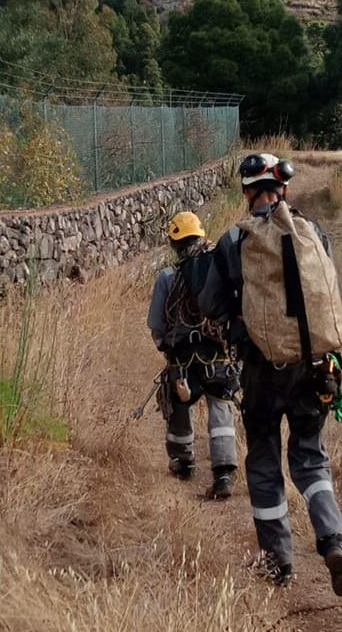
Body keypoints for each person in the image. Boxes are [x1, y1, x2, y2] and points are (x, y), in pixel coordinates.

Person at [199, 154, 342, 596]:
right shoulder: (314, 232)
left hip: (262, 372)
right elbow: (332, 296)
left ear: (247, 191)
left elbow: (211, 303)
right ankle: (332, 541)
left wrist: (239, 323)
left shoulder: (234, 239)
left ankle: (279, 563)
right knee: (310, 458)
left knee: (266, 462)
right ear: (283, 188)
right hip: (316, 370)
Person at [147, 211, 239, 500]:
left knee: (178, 405)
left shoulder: (167, 277)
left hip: (183, 359)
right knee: (221, 406)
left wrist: (165, 345)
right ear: (200, 235)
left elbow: (157, 324)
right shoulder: (219, 269)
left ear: (175, 243)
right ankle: (223, 473)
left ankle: (183, 462)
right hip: (218, 356)